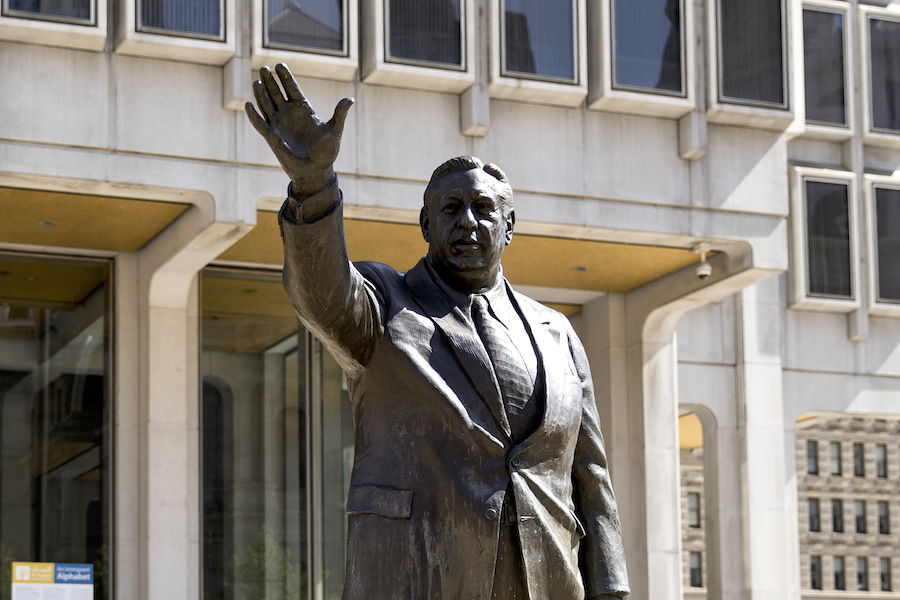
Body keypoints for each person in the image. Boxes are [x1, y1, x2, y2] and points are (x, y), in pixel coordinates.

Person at [246, 63, 630, 600]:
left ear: (509, 227)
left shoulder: (557, 332)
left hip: (546, 581)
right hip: (417, 576)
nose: (468, 221)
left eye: (484, 209)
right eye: (450, 209)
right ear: (426, 226)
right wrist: (313, 186)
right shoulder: (384, 305)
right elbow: (321, 293)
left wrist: (611, 588)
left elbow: (590, 477)